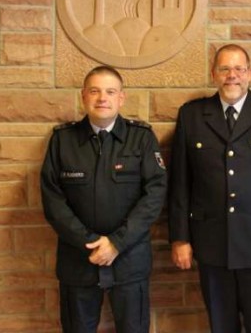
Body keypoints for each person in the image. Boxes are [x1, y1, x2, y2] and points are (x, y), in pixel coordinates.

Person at [168, 44, 251, 333]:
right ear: (214, 74)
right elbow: (180, 183)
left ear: (250, 73)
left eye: (239, 69)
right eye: (225, 69)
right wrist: (180, 238)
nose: (232, 76)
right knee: (221, 327)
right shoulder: (192, 115)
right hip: (213, 243)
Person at [41, 65, 167, 333]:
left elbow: (154, 195)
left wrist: (116, 243)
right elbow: (52, 200)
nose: (102, 98)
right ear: (83, 96)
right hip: (79, 261)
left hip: (129, 259)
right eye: (95, 91)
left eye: (110, 91)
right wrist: (90, 243)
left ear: (121, 98)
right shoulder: (62, 140)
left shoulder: (141, 138)